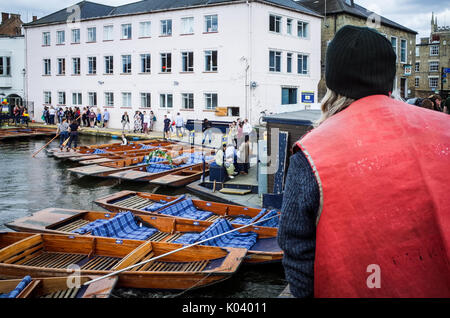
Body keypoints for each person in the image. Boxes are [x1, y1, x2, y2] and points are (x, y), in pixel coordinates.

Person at [278, 25, 450, 298]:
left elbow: (296, 246)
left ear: (333, 80)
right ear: (389, 76)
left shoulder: (312, 152)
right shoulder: (445, 128)